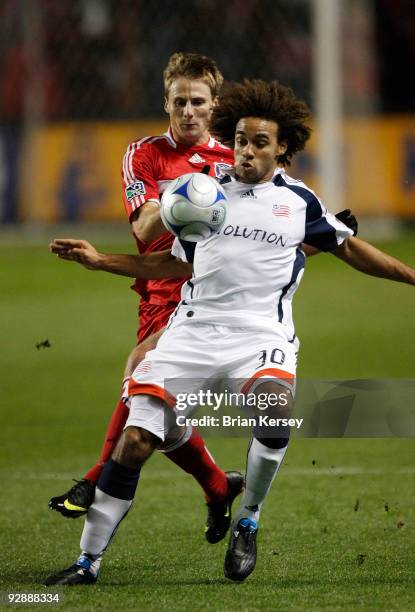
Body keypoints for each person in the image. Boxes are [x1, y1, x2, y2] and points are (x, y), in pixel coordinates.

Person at [46, 78, 415, 585]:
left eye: (259, 142)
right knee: (133, 442)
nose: (246, 151)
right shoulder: (203, 195)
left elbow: (352, 249)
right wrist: (99, 260)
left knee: (275, 410)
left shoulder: (300, 202)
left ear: (282, 148)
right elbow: (174, 267)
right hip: (192, 332)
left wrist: (411, 276)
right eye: (240, 139)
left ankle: (249, 517)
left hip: (261, 334)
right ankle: (87, 562)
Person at [48, 52, 243, 544]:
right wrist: (187, 193)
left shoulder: (235, 162)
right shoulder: (144, 154)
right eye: (180, 102)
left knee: (141, 378)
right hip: (157, 290)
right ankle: (219, 488)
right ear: (166, 104)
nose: (189, 111)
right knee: (162, 420)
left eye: (198, 101)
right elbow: (143, 224)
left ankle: (95, 477)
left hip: (211, 293)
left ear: (214, 105)